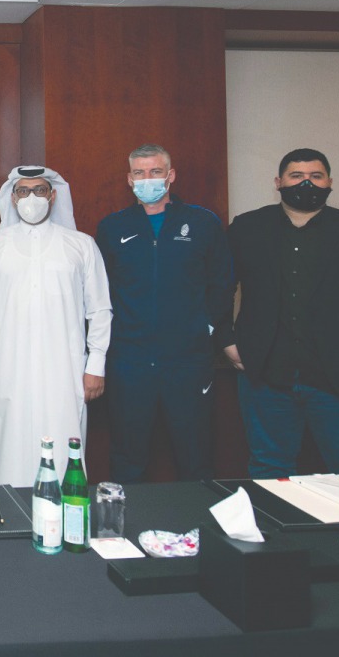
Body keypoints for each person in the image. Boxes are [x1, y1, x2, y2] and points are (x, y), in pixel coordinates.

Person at [222, 148, 339, 477]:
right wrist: (226, 339)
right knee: (269, 472)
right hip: (267, 379)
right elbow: (217, 288)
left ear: (330, 183)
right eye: (297, 176)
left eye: (316, 176)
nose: (306, 183)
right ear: (278, 182)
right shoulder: (247, 228)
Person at [0, 166, 111, 485]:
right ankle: (6, 518)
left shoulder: (81, 246)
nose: (32, 198)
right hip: (8, 368)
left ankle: (61, 520)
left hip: (66, 369)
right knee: (6, 443)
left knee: (63, 442)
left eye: (39, 190)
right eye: (23, 191)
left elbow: (99, 310)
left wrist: (96, 364)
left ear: (53, 195)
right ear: (13, 198)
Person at [95, 144, 233, 483]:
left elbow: (222, 283)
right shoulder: (113, 227)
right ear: (129, 180)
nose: (148, 179)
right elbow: (102, 292)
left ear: (170, 176)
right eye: (140, 173)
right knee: (128, 459)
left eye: (155, 172)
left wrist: (209, 329)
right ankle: (123, 531)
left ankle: (198, 532)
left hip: (188, 361)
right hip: (130, 361)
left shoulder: (202, 223)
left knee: (194, 457)